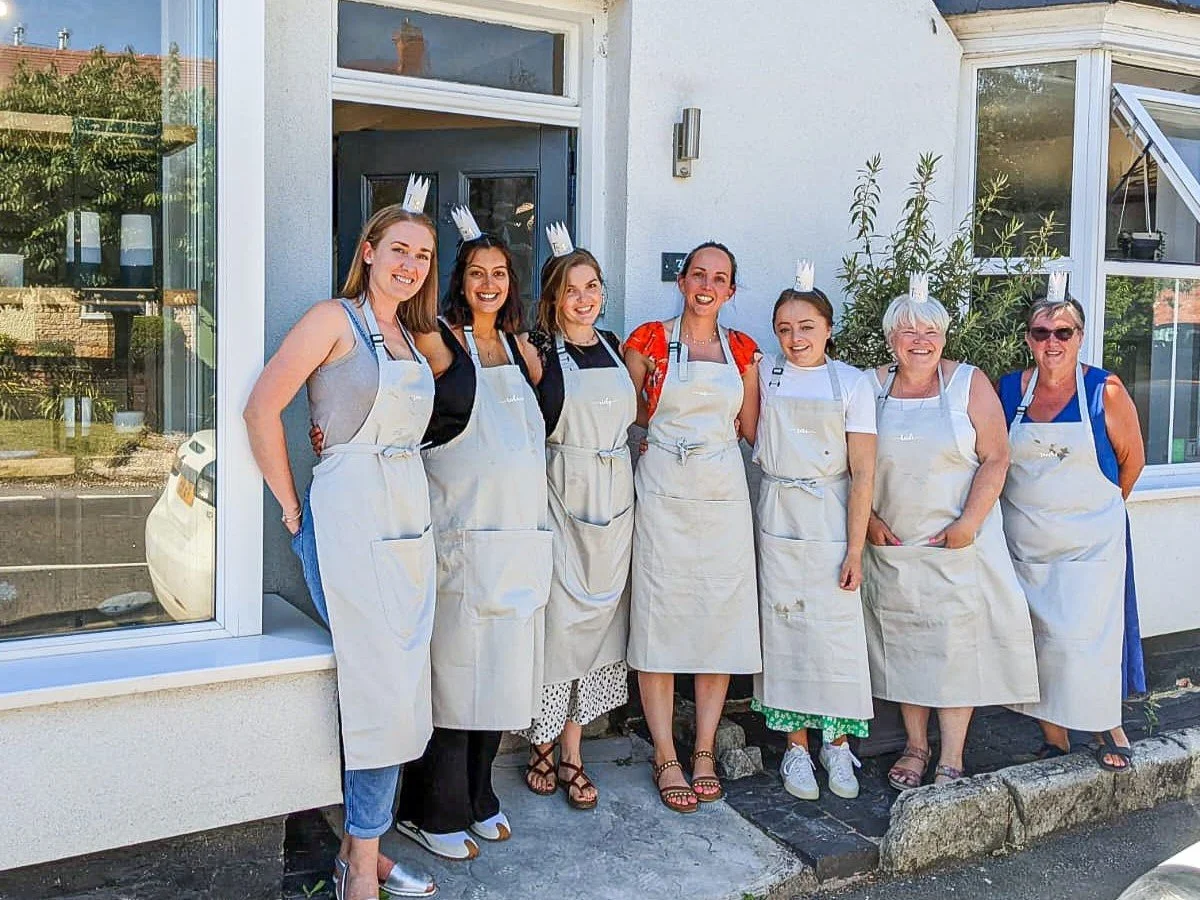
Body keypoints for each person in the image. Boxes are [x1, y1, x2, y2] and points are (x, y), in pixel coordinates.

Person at [244, 189, 439, 900]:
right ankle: (360, 861)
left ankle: (366, 846)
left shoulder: (413, 340)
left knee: (395, 686)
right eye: (398, 250)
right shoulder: (334, 320)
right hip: (350, 516)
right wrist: (294, 513)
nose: (410, 265)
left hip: (408, 524)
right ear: (368, 251)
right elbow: (262, 407)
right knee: (377, 687)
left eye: (422, 255)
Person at [394, 213, 550, 859]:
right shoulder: (438, 340)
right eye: (476, 273)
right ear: (459, 280)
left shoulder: (523, 351)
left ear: (511, 283)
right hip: (461, 538)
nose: (488, 284)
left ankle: (481, 797)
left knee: (505, 682)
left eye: (500, 273)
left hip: (518, 541)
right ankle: (431, 813)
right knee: (457, 682)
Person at [862, 276, 1039, 791]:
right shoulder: (871, 386)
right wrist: (870, 523)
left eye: (931, 331)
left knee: (956, 650)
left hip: (958, 542)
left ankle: (952, 757)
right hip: (894, 544)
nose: (920, 339)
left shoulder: (967, 382)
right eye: (909, 331)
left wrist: (967, 525)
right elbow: (852, 465)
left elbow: (996, 456)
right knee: (905, 645)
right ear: (890, 338)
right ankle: (916, 747)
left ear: (944, 336)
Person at [624, 241, 762, 814]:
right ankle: (665, 754)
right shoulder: (649, 341)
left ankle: (704, 749)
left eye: (720, 277)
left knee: (718, 620)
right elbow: (625, 412)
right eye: (698, 274)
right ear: (682, 282)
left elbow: (750, 427)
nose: (707, 284)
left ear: (730, 291)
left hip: (723, 494)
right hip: (662, 491)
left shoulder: (743, 350)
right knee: (658, 618)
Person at [997, 279, 1146, 771]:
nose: (1052, 342)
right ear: (1028, 339)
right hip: (1026, 543)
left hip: (1090, 548)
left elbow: (1133, 463)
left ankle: (1109, 726)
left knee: (1089, 642)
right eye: (1042, 333)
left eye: (1064, 331)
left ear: (1080, 336)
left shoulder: (1106, 390)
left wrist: (1097, 509)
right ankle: (1055, 737)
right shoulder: (1009, 390)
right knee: (1039, 641)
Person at [741, 264, 876, 801]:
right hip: (777, 512)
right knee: (785, 631)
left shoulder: (853, 382)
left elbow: (863, 470)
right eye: (784, 329)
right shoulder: (767, 375)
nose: (795, 339)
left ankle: (837, 744)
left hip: (831, 512)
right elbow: (751, 432)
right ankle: (796, 747)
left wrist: (855, 548)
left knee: (835, 632)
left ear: (828, 328)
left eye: (806, 327)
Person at [520, 228, 637, 809]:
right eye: (571, 289)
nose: (584, 298)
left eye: (592, 286)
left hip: (617, 502)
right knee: (557, 623)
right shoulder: (538, 354)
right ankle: (541, 742)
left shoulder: (615, 345)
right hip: (562, 499)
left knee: (598, 628)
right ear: (554, 299)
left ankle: (573, 751)